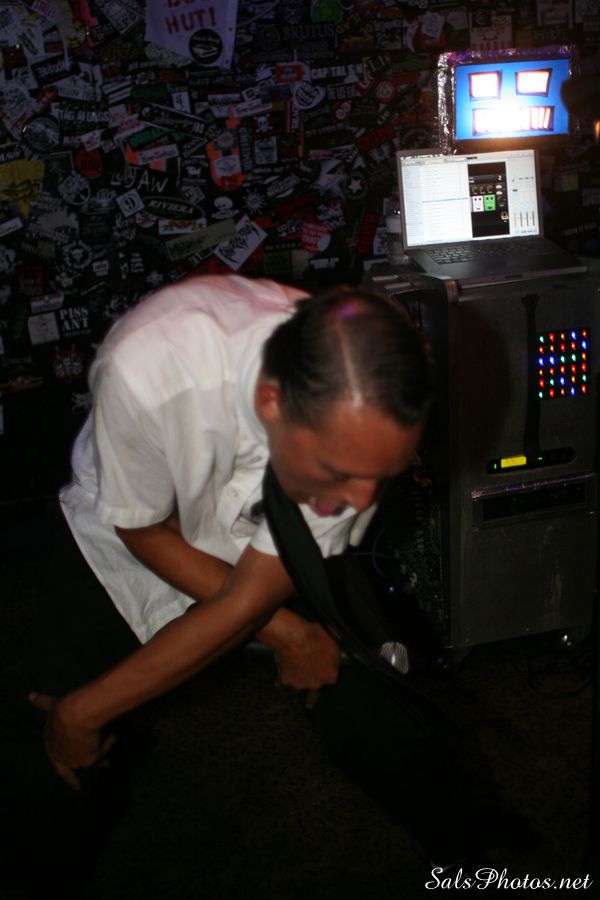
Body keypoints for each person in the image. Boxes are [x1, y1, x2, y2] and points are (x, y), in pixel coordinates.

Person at [1, 274, 483, 897]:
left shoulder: (362, 413)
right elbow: (144, 531)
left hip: (265, 541)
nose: (360, 499)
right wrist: (77, 713)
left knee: (382, 721)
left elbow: (250, 595)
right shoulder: (147, 369)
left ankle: (479, 870)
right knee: (47, 754)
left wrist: (292, 628)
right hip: (130, 536)